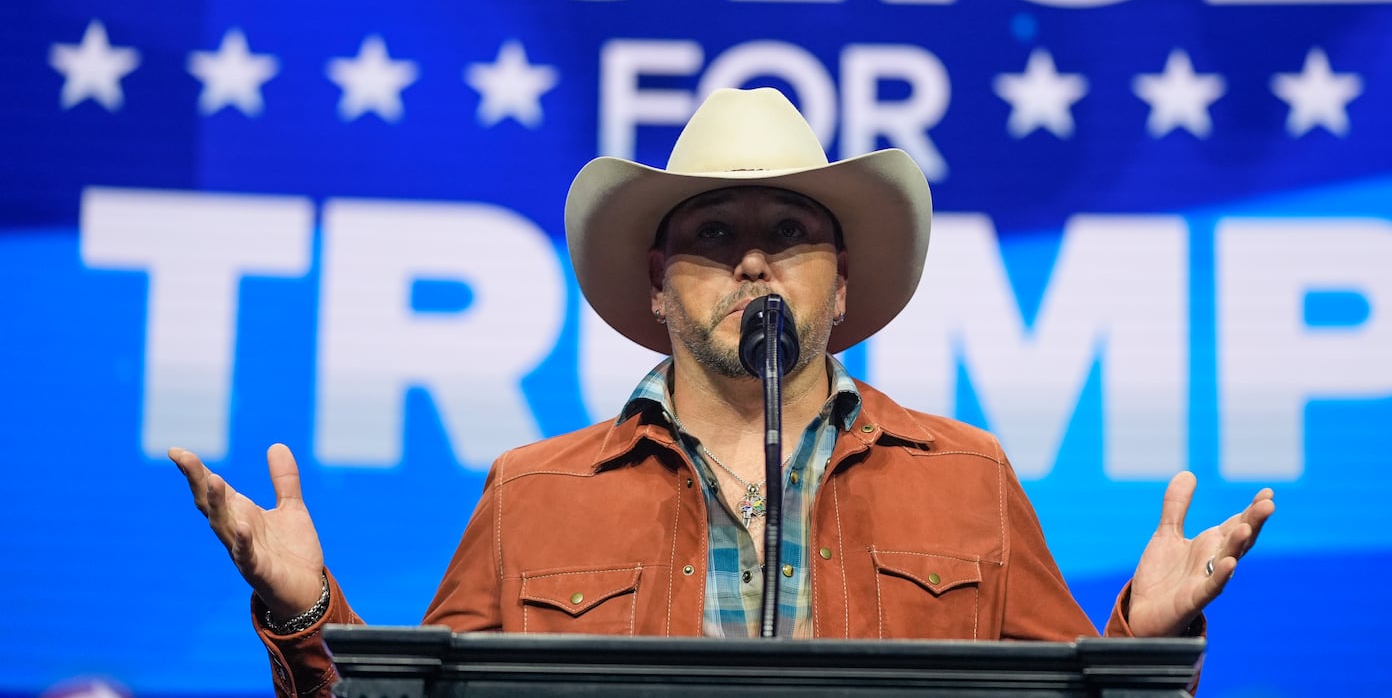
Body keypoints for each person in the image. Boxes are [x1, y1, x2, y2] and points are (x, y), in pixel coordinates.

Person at [172, 87, 1274, 697]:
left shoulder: (968, 475)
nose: (753, 262)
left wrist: (1145, 638)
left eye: (789, 233)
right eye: (711, 235)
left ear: (841, 286)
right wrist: (305, 608)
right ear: (656, 285)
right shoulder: (531, 488)